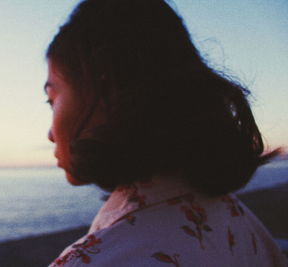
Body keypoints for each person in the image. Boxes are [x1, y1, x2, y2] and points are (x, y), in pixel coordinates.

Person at [44, 0, 287, 266]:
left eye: (52, 99)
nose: (50, 134)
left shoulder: (93, 260)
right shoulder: (233, 216)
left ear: (107, 95)